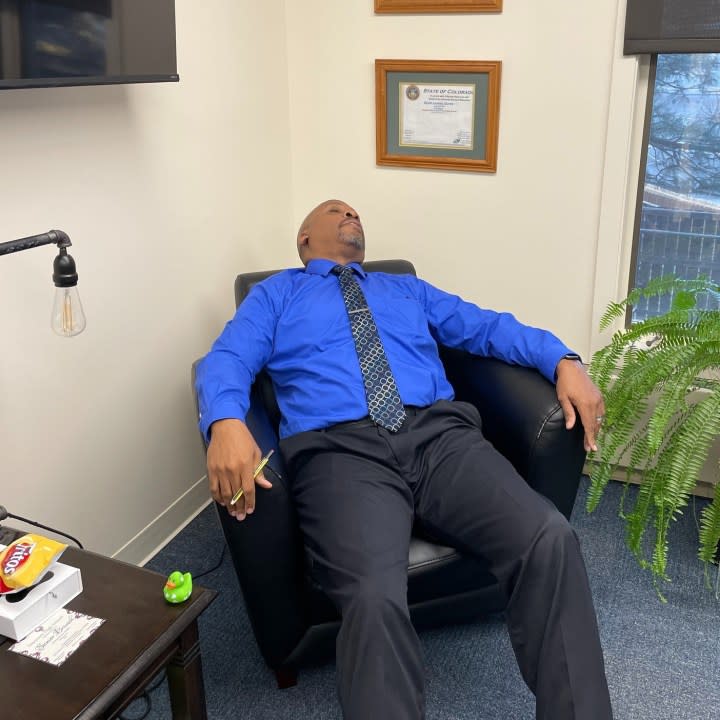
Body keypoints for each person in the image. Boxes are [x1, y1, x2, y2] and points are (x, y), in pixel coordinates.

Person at [196, 199, 614, 720]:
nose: (351, 214)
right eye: (334, 211)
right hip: (339, 454)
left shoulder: (405, 289)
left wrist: (563, 358)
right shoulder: (276, 294)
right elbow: (228, 358)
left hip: (441, 440)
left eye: (354, 211)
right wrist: (226, 421)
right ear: (304, 239)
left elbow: (486, 327)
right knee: (372, 598)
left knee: (549, 538)